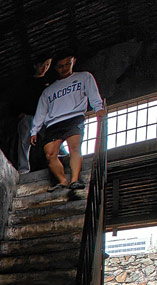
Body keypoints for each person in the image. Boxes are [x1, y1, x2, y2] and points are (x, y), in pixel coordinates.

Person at [29, 53, 105, 190]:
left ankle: (74, 180)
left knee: (74, 148)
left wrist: (98, 108)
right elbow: (41, 111)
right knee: (50, 154)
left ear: (73, 61)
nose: (64, 68)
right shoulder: (49, 90)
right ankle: (63, 181)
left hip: (74, 117)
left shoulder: (84, 77)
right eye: (60, 66)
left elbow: (93, 93)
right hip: (53, 123)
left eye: (67, 64)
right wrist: (34, 130)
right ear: (55, 68)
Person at [13, 56, 53, 174]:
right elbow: (17, 98)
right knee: (24, 142)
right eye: (42, 65)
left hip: (44, 117)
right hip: (28, 116)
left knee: (51, 137)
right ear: (35, 65)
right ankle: (23, 169)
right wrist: (20, 113)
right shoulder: (26, 82)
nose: (44, 68)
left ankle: (61, 158)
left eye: (47, 65)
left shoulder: (49, 82)